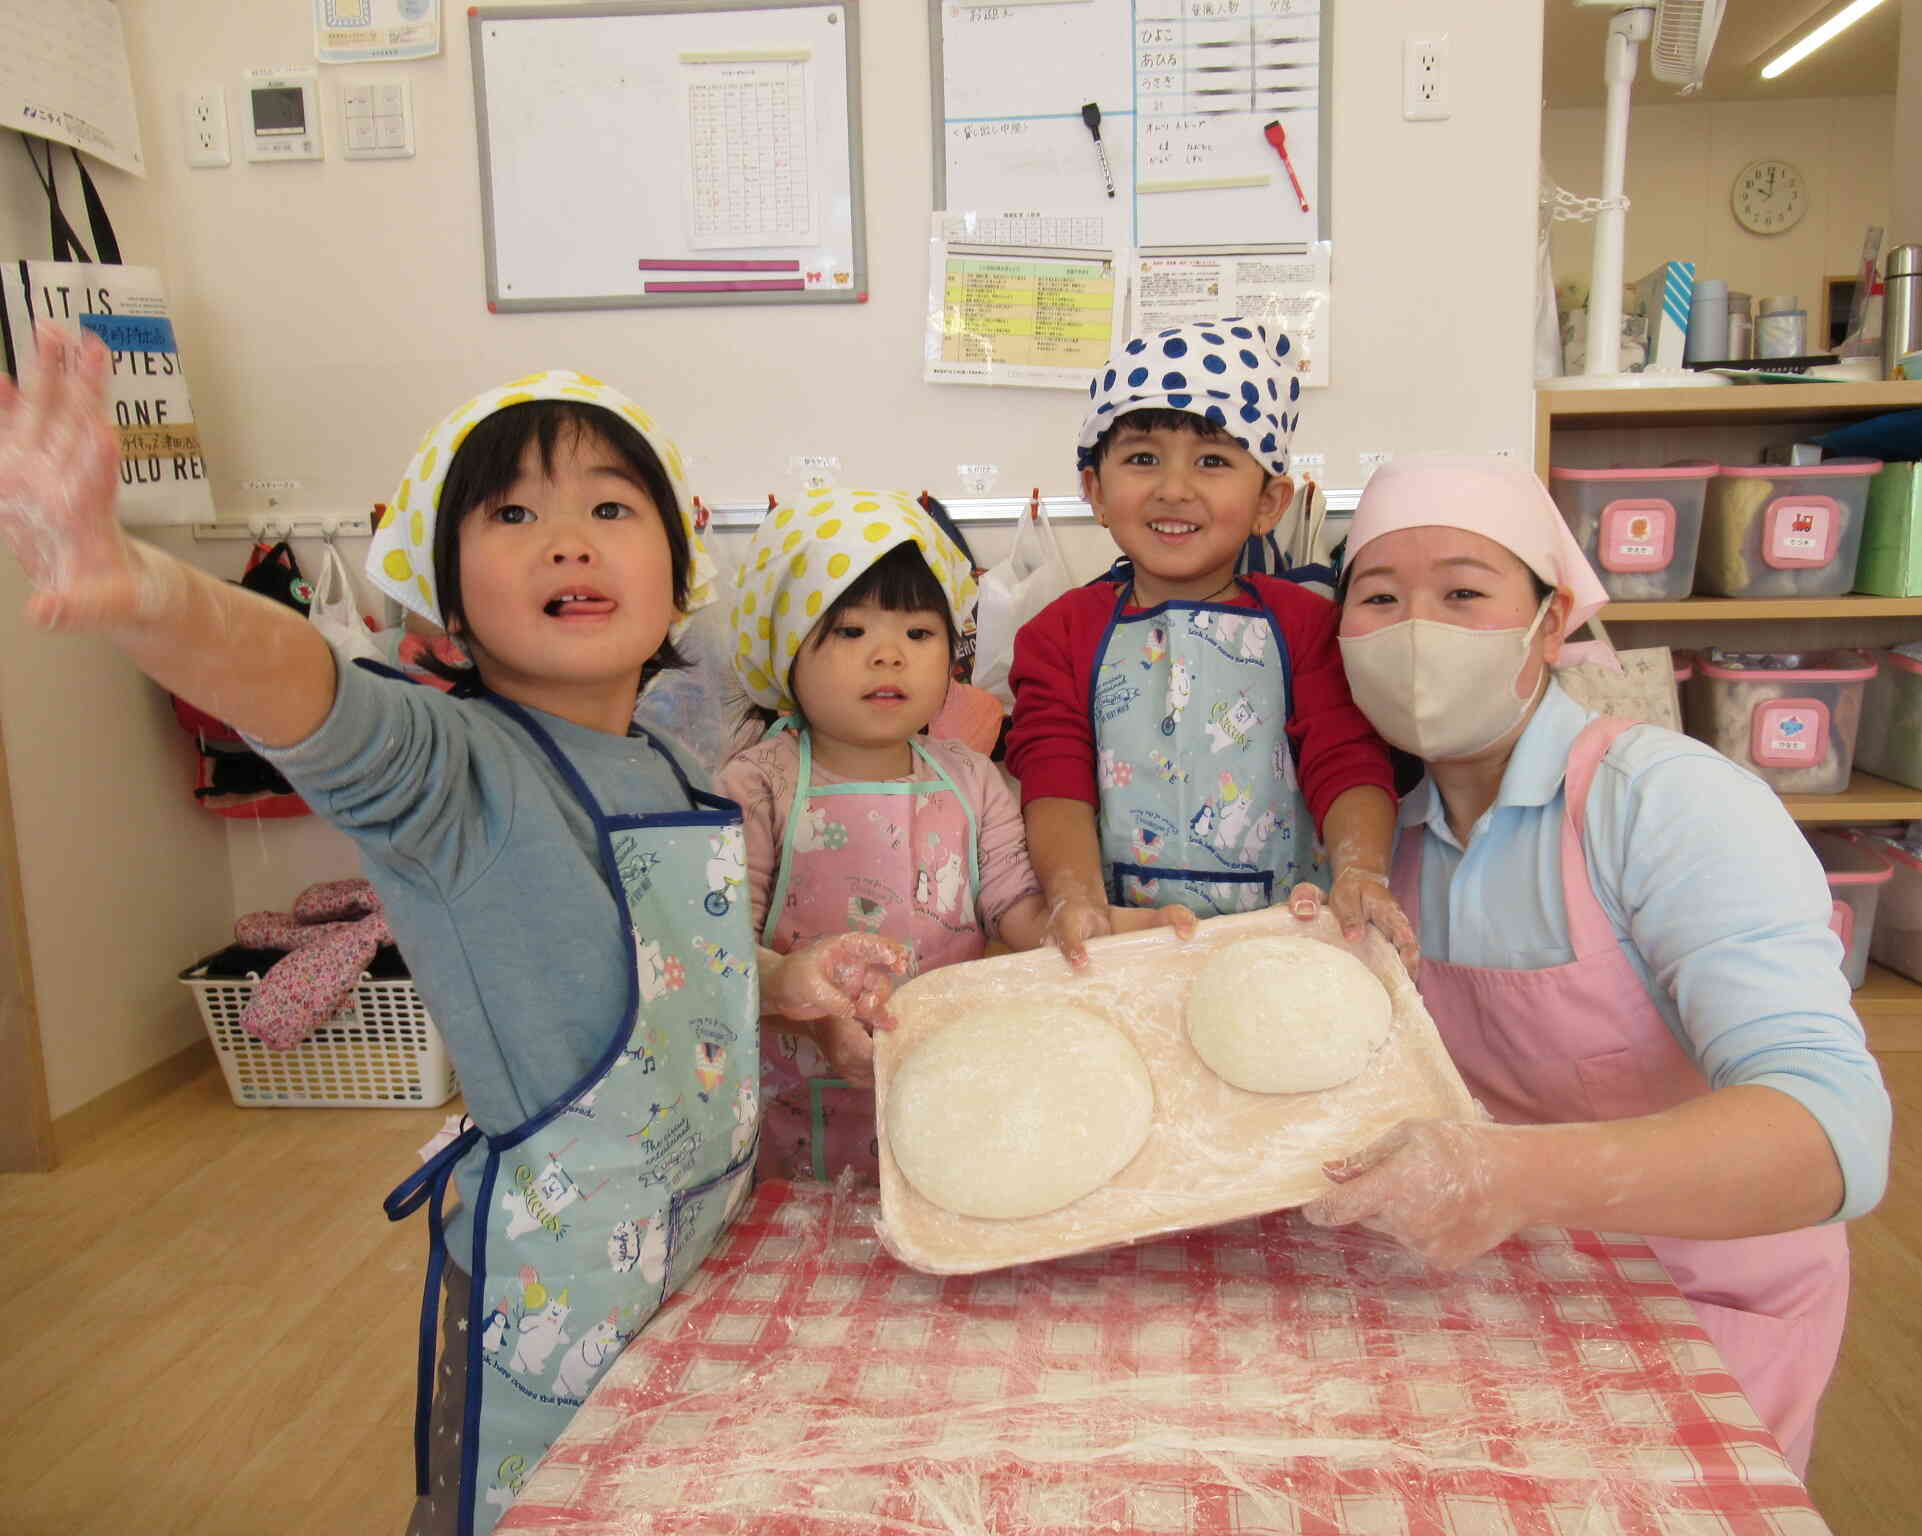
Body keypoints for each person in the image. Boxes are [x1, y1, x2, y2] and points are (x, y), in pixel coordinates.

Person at [0, 335, 905, 1536]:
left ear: (679, 570)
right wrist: (141, 584)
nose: (568, 538)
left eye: (609, 506)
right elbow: (299, 683)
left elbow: (684, 964)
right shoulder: (443, 768)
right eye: (515, 511)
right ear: (446, 590)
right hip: (556, 1283)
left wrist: (791, 978)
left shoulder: (674, 764)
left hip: (700, 1239)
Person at [1297, 454, 1891, 1474]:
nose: (1414, 631)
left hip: (1698, 1303)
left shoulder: (1663, 803)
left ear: (1551, 617)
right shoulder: (1382, 845)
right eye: (1379, 599)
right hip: (1489, 1286)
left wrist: (1507, 1176)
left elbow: (1833, 1136)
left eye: (1462, 594)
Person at [716, 490, 1191, 1182]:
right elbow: (726, 960)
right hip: (796, 1107)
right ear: (787, 649)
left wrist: (1111, 926)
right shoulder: (756, 786)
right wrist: (813, 1016)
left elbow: (1019, 913)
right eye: (850, 633)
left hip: (947, 1087)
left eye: (917, 634)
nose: (889, 657)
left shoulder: (973, 780)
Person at [1006, 320, 1414, 968]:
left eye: (1213, 461)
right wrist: (1073, 895)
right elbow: (1053, 773)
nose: (1174, 488)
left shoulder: (1307, 627)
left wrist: (1363, 872)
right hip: (1120, 944)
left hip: (1288, 938)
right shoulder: (1058, 633)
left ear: (1269, 502)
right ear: (1095, 492)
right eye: (1143, 459)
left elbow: (1347, 759)